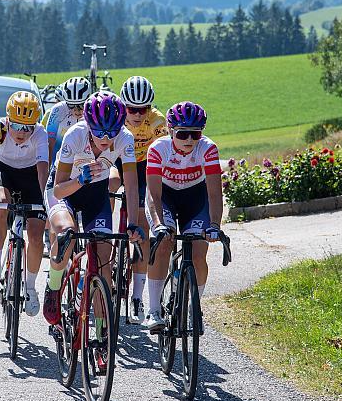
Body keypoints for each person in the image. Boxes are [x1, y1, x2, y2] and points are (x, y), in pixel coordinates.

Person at [42, 91, 144, 326]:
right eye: (99, 132)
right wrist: (80, 180)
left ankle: (101, 332)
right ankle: (54, 285)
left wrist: (133, 223)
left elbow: (131, 185)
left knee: (103, 261)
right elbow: (58, 190)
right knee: (66, 232)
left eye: (112, 132)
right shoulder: (74, 135)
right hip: (66, 190)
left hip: (96, 195)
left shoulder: (125, 139)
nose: (106, 138)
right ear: (88, 125)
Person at [143, 101, 223, 330]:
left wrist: (215, 225)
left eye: (195, 134)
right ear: (170, 130)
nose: (189, 140)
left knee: (199, 254)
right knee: (164, 244)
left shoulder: (208, 148)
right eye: (183, 134)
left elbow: (215, 194)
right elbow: (153, 195)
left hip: (195, 198)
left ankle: (194, 307)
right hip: (165, 198)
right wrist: (159, 225)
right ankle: (154, 310)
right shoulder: (158, 149)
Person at [0, 91, 49, 317]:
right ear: (8, 119)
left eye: (27, 127)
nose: (22, 132)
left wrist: (47, 202)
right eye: (17, 125)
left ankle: (30, 288)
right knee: (0, 204)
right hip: (5, 174)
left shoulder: (40, 134)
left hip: (31, 178)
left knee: (37, 235)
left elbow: (42, 171)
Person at [110, 76, 168, 324]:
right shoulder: (115, 117)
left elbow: (162, 154)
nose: (136, 114)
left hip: (144, 165)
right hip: (118, 162)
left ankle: (136, 298)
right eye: (131, 109)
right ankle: (105, 228)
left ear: (150, 107)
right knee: (110, 184)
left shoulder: (157, 122)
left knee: (143, 225)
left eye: (142, 109)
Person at [41, 77, 92, 256]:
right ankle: (52, 237)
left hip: (84, 162)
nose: (77, 111)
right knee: (56, 198)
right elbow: (49, 143)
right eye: (72, 106)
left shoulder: (94, 111)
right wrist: (47, 170)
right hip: (61, 157)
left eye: (81, 106)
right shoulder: (58, 111)